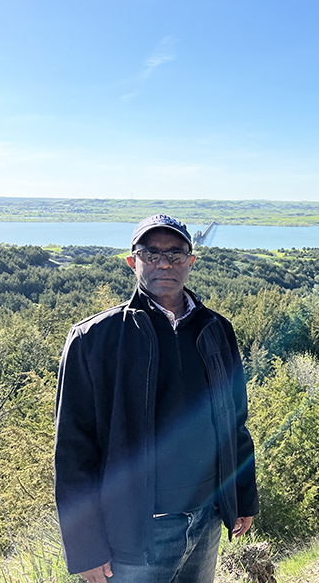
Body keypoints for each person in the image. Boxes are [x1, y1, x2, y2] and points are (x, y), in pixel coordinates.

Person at [54, 214, 258, 583]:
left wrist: (241, 498)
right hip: (134, 535)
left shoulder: (217, 330)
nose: (164, 263)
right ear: (133, 261)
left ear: (191, 262)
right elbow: (73, 450)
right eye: (151, 254)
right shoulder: (93, 339)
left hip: (207, 519)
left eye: (176, 254)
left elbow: (235, 421)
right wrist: (86, 549)